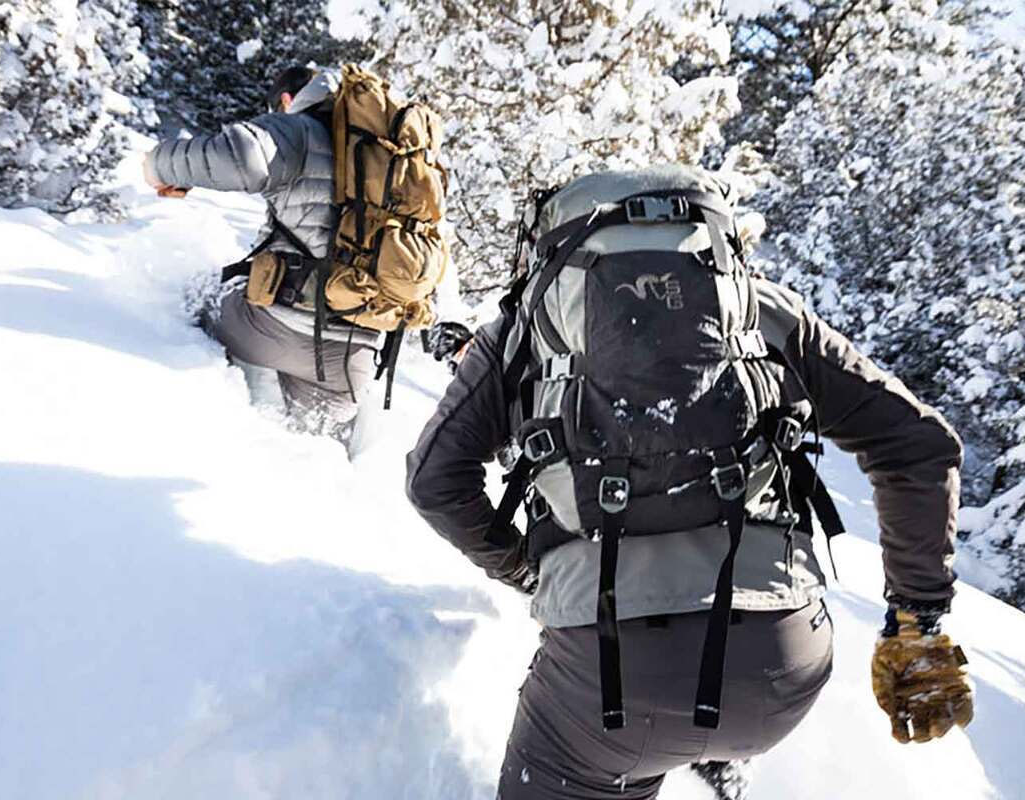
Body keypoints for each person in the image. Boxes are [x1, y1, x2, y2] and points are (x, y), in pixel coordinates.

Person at [405, 166, 973, 799]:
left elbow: (434, 482)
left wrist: (526, 570)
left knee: (606, 747)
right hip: (783, 665)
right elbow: (921, 447)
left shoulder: (522, 331)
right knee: (698, 716)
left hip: (607, 689)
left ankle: (672, 746)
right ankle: (716, 759)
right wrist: (916, 619)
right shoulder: (766, 316)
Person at [143, 65, 377, 442]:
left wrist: (159, 166)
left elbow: (243, 156)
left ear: (285, 100)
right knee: (315, 455)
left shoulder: (297, 127)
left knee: (198, 293)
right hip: (353, 358)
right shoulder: (383, 151)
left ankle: (234, 413)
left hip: (274, 330)